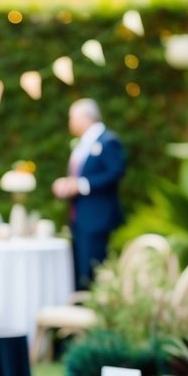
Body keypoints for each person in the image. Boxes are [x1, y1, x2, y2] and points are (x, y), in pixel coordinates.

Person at [52, 98, 126, 289]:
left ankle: (92, 312)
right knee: (79, 271)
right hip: (79, 217)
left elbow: (116, 172)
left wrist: (81, 185)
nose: (70, 122)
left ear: (85, 118)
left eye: (72, 117)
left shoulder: (108, 141)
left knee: (93, 271)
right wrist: (68, 185)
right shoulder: (82, 143)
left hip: (97, 217)